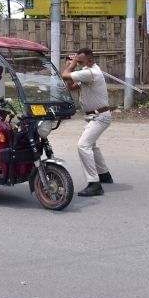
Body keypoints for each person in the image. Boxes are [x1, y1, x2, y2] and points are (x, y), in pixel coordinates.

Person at [61, 48, 113, 197]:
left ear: (90, 60)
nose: (79, 63)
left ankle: (94, 183)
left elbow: (64, 76)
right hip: (96, 116)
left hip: (100, 117)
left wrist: (71, 65)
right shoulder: (87, 71)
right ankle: (104, 175)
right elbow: (71, 86)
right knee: (92, 145)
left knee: (83, 146)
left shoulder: (91, 73)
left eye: (81, 61)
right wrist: (71, 65)